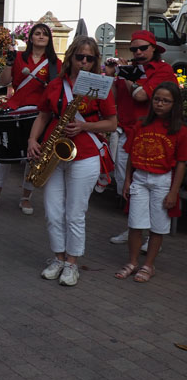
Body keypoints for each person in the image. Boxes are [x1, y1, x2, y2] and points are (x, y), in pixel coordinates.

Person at [27, 36, 117, 286]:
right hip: (53, 151)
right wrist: (32, 140)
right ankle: (57, 258)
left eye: (90, 58)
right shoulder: (56, 84)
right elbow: (43, 115)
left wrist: (84, 125)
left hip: (85, 154)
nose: (84, 62)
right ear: (71, 58)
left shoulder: (101, 85)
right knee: (53, 212)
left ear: (95, 60)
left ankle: (72, 264)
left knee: (75, 213)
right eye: (80, 57)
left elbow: (112, 123)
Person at [0, 23, 61, 215]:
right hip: (15, 108)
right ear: (30, 38)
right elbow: (5, 81)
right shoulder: (20, 58)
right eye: (37, 33)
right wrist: (8, 63)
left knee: (32, 155)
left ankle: (26, 197)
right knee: (4, 154)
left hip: (38, 113)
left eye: (44, 34)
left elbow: (56, 89)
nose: (40, 37)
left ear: (49, 39)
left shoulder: (55, 63)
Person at [109, 30, 178, 246]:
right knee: (125, 184)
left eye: (142, 48)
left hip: (153, 135)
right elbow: (113, 98)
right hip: (126, 132)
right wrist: (113, 76)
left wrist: (128, 77)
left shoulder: (163, 70)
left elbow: (140, 96)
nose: (138, 52)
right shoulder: (130, 69)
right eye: (134, 49)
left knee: (150, 186)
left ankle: (150, 235)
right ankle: (134, 229)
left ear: (154, 48)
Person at [115, 82, 186, 283]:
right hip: (140, 178)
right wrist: (127, 179)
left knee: (158, 226)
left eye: (166, 101)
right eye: (157, 99)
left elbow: (181, 164)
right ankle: (133, 261)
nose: (160, 104)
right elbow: (131, 154)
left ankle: (148, 265)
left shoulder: (180, 131)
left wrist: (174, 192)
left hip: (162, 181)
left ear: (174, 104)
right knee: (135, 224)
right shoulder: (141, 124)